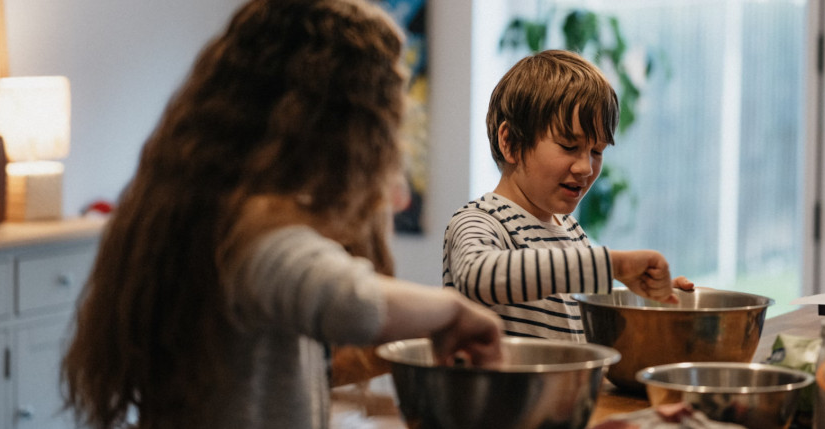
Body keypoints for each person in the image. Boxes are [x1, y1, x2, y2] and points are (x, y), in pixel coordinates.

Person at [61, 1, 503, 428]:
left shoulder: (203, 205)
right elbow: (351, 301)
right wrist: (453, 311)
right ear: (335, 127)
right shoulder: (251, 231)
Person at [442, 50, 692, 342]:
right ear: (510, 142)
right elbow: (478, 276)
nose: (586, 167)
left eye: (596, 151)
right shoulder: (480, 221)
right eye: (569, 146)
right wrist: (614, 265)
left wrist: (648, 297)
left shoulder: (572, 231)